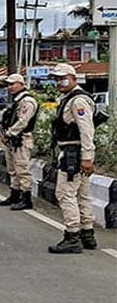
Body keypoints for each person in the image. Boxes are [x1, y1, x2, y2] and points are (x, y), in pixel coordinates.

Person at [47, 63, 98, 254]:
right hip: (75, 152)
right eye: (57, 79)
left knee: (65, 193)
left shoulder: (78, 101)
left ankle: (72, 235)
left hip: (73, 153)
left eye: (63, 78)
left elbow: (86, 130)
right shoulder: (70, 98)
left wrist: (87, 157)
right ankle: (87, 233)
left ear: (74, 78)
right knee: (82, 194)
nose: (59, 82)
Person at [0, 74, 38, 211]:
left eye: (12, 84)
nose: (10, 87)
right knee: (12, 169)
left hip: (22, 139)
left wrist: (10, 133)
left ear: (21, 84)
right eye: (8, 85)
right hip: (12, 139)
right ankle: (14, 195)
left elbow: (23, 121)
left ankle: (26, 198)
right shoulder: (16, 100)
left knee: (22, 169)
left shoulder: (27, 101)